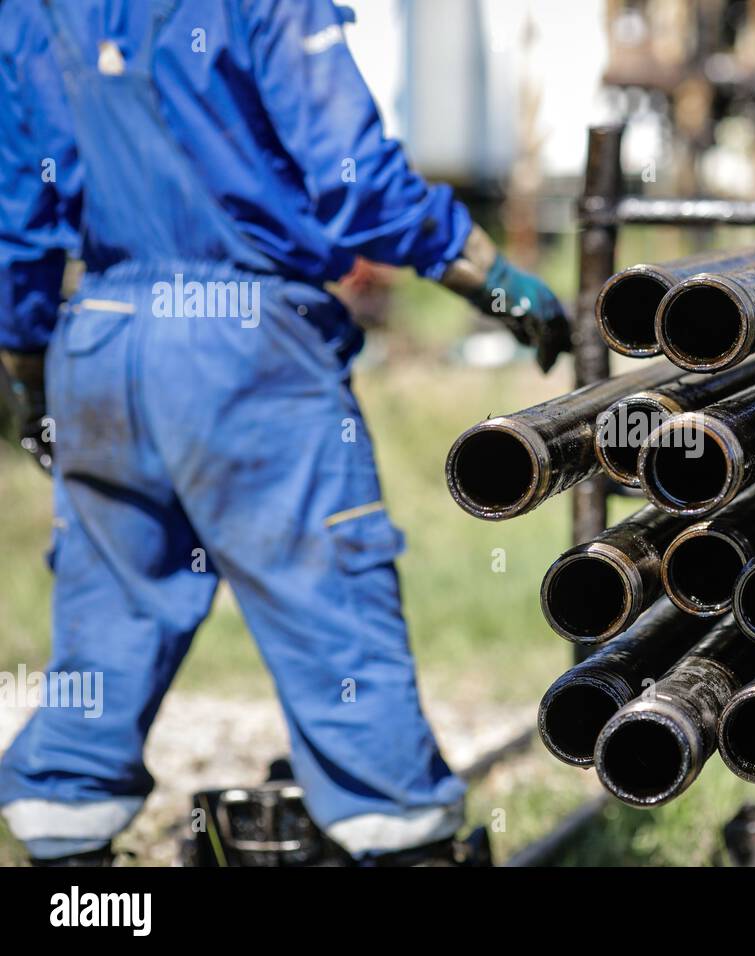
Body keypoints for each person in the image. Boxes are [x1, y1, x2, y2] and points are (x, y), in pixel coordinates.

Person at [0, 0, 569, 866]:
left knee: (110, 609)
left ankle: (67, 854)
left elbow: (21, 204)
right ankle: (401, 837)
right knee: (328, 596)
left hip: (103, 338)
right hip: (244, 343)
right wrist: (489, 278)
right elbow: (354, 175)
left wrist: (27, 366)